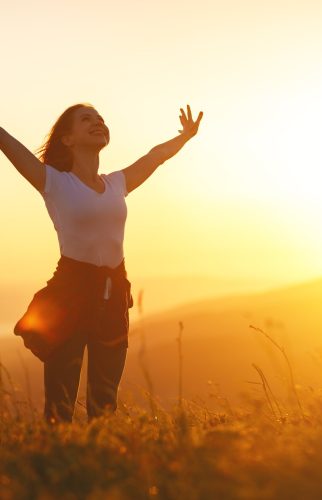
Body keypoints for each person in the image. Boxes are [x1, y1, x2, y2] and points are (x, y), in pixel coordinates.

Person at [0, 102, 203, 423]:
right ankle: (56, 467)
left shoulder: (116, 184)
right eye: (86, 120)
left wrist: (185, 137)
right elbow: (11, 147)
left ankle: (101, 465)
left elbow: (154, 157)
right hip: (69, 294)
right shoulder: (54, 182)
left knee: (105, 403)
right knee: (60, 404)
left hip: (113, 295)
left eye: (100, 119)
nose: (97, 122)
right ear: (67, 139)